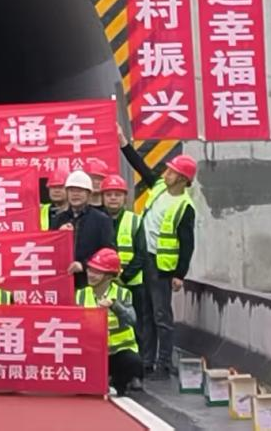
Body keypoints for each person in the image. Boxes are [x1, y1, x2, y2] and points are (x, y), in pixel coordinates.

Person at [118, 127, 197, 379]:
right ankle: (147, 361)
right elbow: (140, 166)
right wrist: (123, 144)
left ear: (183, 178)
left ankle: (164, 363)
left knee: (162, 316)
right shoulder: (160, 187)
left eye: (172, 171)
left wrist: (180, 274)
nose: (167, 173)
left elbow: (187, 243)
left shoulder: (184, 206)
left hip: (162, 266)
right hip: (145, 258)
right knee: (146, 313)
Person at [76, 247, 143, 396]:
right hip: (91, 353)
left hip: (116, 353)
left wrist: (115, 306)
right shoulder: (80, 295)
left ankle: (119, 383)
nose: (90, 274)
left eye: (97, 272)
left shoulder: (123, 294)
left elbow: (132, 319)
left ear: (109, 276)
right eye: (90, 270)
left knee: (133, 362)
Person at [100, 173, 149, 359]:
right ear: (102, 197)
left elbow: (141, 254)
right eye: (109, 194)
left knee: (135, 325)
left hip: (131, 285)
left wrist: (123, 277)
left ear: (125, 198)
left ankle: (138, 366)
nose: (113, 198)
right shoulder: (96, 220)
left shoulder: (135, 220)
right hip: (103, 284)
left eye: (117, 194)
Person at [52, 171, 116, 289]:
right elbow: (49, 250)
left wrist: (84, 265)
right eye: (72, 190)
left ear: (89, 194)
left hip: (90, 282)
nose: (75, 194)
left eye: (80, 191)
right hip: (63, 280)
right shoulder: (58, 220)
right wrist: (58, 235)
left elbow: (108, 252)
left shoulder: (102, 220)